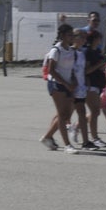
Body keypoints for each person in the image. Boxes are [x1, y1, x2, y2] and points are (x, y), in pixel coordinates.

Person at [40, 23, 79, 153]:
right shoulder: (56, 50)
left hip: (67, 84)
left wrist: (73, 80)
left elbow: (71, 69)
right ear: (62, 36)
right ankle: (67, 145)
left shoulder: (71, 50)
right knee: (63, 115)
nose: (72, 37)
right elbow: (51, 70)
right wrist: (66, 84)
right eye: (69, 35)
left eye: (72, 35)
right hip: (56, 84)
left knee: (66, 114)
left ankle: (47, 137)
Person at [82, 29, 106, 148]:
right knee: (94, 111)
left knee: (95, 111)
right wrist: (99, 64)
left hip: (97, 84)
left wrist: (102, 65)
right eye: (98, 37)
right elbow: (86, 70)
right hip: (89, 84)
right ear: (93, 39)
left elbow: (101, 65)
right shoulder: (87, 52)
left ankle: (77, 127)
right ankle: (94, 138)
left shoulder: (97, 51)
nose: (100, 40)